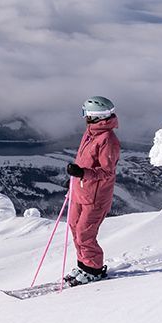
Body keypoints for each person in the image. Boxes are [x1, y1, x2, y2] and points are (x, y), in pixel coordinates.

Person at [64, 96, 120, 286]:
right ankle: (83, 265)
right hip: (80, 191)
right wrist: (76, 177)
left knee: (85, 233)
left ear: (95, 116)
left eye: (85, 114)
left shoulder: (107, 140)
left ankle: (93, 269)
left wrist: (82, 173)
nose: (84, 117)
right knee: (74, 227)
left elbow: (107, 171)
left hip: (95, 196)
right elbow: (83, 162)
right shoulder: (90, 133)